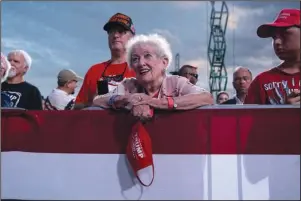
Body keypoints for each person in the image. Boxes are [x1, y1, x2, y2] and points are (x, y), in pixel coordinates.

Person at [93, 34, 213, 120]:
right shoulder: (129, 85)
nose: (140, 63)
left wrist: (156, 103)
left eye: (147, 56)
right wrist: (123, 100)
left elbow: (206, 97)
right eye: (135, 59)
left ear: (164, 62)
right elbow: (98, 100)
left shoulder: (177, 82)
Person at [74, 13, 136, 109]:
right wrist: (94, 102)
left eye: (121, 31)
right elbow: (77, 106)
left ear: (132, 38)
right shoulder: (94, 70)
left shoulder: (140, 68)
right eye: (111, 32)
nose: (115, 35)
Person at [245, 8, 300, 105]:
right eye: (274, 37)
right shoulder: (261, 82)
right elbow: (248, 119)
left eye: (285, 34)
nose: (276, 42)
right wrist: (285, 113)